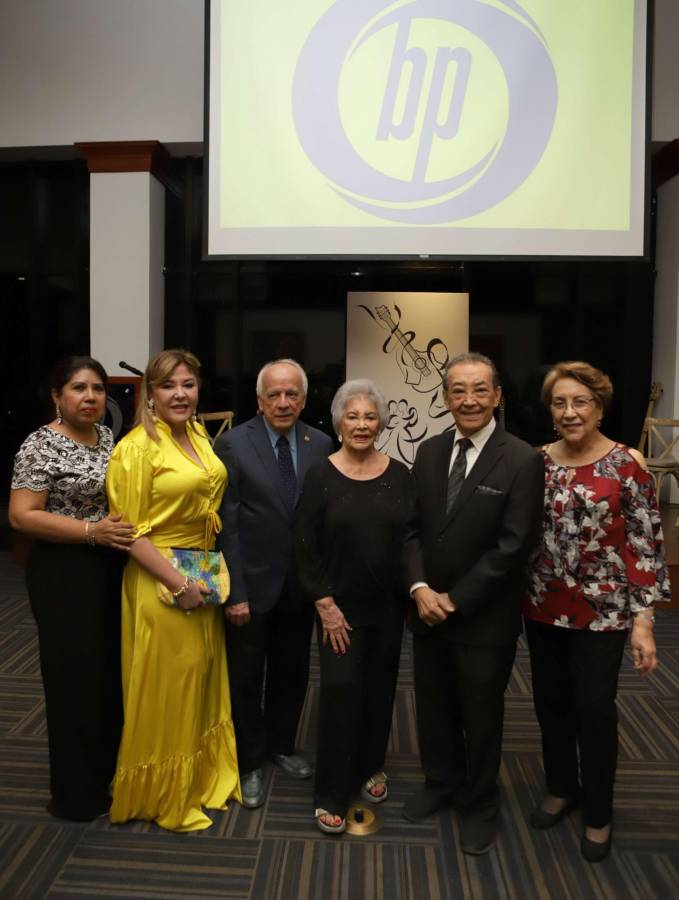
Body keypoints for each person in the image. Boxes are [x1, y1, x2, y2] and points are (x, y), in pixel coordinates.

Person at [522, 361, 671, 862]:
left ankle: (600, 811)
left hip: (604, 613)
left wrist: (644, 622)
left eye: (579, 402)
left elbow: (645, 544)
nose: (569, 412)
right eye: (559, 403)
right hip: (542, 605)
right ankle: (562, 786)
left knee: (594, 708)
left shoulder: (627, 465)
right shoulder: (537, 461)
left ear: (599, 406)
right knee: (549, 702)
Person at [402, 352, 544, 855]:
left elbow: (514, 545)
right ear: (445, 398)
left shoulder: (522, 458)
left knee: (481, 715)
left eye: (480, 389)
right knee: (434, 705)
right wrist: (420, 589)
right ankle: (441, 782)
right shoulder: (428, 452)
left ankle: (481, 802)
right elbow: (413, 530)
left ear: (498, 395)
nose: (469, 400)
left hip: (484, 617)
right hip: (427, 612)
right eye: (458, 390)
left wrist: (455, 600)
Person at [105, 349, 240, 832]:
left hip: (199, 572)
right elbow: (131, 534)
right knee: (168, 688)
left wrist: (197, 581)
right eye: (168, 386)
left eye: (188, 384)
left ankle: (201, 780)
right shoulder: (136, 449)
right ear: (150, 395)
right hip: (161, 578)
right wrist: (178, 583)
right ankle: (166, 795)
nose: (180, 394)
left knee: (199, 680)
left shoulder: (199, 435)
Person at [9, 356, 134, 821]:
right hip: (63, 571)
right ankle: (74, 795)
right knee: (72, 681)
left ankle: (105, 775)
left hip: (106, 566)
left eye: (98, 389)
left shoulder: (105, 437)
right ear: (57, 396)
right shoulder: (39, 445)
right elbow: (22, 515)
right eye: (79, 388)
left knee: (105, 675)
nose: (90, 397)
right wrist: (89, 532)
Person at [295, 379, 414, 834]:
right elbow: (304, 547)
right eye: (353, 416)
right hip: (338, 611)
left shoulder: (401, 476)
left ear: (380, 423)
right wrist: (324, 603)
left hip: (388, 609)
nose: (361, 424)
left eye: (369, 417)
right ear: (339, 421)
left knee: (380, 691)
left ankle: (370, 766)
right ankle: (330, 791)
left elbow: (409, 541)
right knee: (342, 692)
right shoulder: (321, 475)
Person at [215, 359, 333, 808]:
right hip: (251, 585)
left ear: (303, 399)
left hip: (299, 586)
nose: (284, 403)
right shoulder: (232, 444)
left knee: (292, 671)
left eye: (292, 395)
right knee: (245, 677)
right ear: (259, 399)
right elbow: (227, 523)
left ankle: (282, 745)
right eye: (274, 395)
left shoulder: (321, 442)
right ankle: (248, 762)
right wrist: (236, 593)